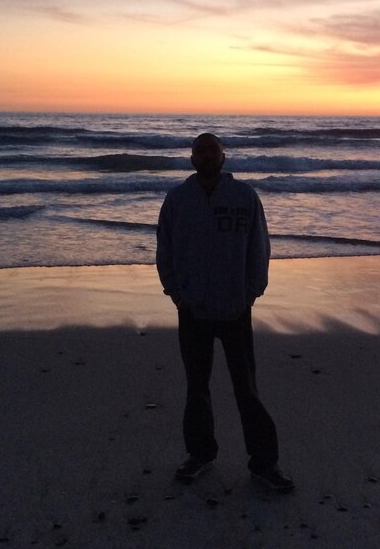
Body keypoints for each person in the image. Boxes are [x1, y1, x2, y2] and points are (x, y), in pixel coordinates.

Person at [156, 133, 293, 492]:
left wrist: (251, 293)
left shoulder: (244, 196)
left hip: (235, 309)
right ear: (191, 158)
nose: (204, 154)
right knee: (197, 387)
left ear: (223, 156)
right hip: (193, 309)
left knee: (246, 388)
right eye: (198, 150)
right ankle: (200, 454)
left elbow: (259, 247)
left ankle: (265, 463)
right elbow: (165, 247)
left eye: (211, 149)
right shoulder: (178, 199)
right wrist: (174, 291)